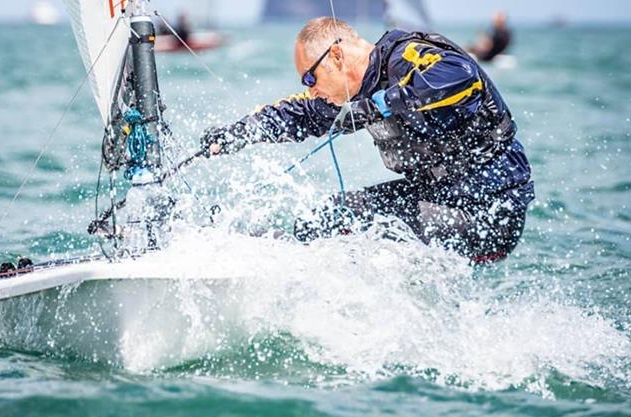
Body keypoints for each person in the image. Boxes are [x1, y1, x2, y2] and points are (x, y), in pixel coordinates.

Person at [199, 17, 534, 263]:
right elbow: (297, 114)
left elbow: (461, 75)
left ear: (336, 56)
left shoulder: (407, 56)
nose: (311, 89)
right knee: (325, 217)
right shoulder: (352, 96)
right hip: (435, 200)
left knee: (355, 227)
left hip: (489, 214)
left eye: (310, 77)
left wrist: (379, 105)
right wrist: (234, 135)